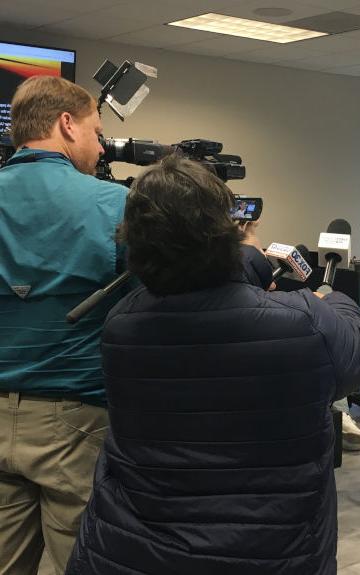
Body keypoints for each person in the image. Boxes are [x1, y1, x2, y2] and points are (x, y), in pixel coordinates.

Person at [65, 155, 360, 575]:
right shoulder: (303, 320)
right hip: (270, 551)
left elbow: (198, 283)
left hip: (136, 549)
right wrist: (330, 299)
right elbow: (357, 355)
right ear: (223, 233)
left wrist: (249, 260)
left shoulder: (122, 324)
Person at [0, 76, 127, 574]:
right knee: (75, 560)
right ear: (66, 124)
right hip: (73, 419)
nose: (100, 148)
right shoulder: (111, 204)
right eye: (97, 133)